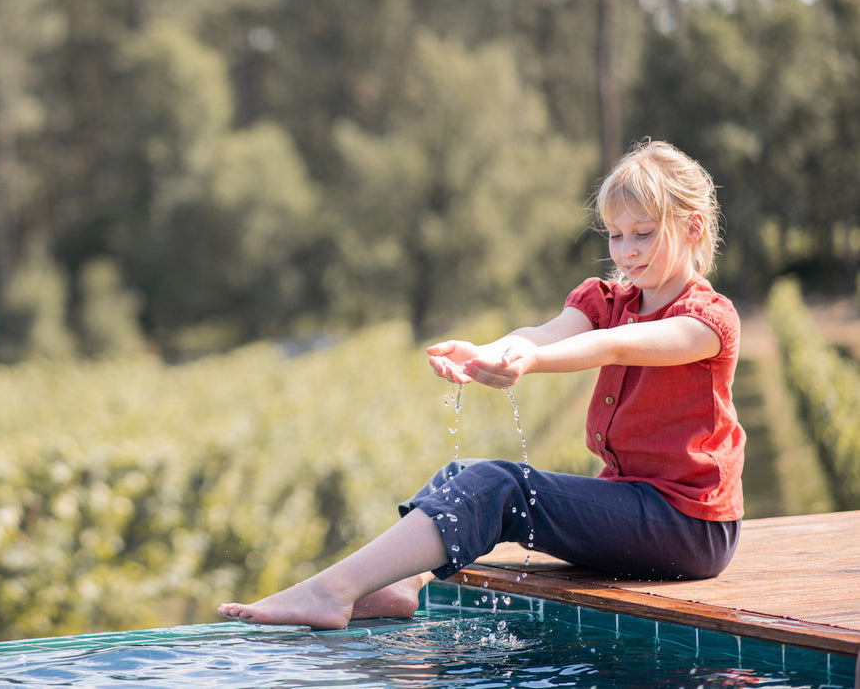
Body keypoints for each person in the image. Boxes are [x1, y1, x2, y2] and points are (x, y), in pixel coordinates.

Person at [219, 139, 745, 629]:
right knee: (463, 473)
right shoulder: (608, 300)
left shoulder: (706, 321)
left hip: (689, 529)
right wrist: (488, 352)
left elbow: (619, 347)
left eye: (643, 233)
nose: (626, 250)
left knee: (500, 485)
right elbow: (543, 331)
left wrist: (534, 361)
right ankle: (402, 584)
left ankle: (329, 591)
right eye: (615, 234)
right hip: (633, 503)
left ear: (693, 228)